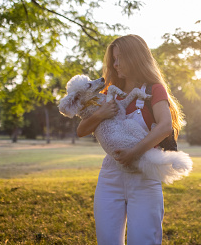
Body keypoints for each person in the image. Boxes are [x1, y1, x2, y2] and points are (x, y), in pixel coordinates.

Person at [77, 34, 183, 245]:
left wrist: (134, 152)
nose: (115, 65)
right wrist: (100, 114)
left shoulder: (154, 90)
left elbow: (164, 126)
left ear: (135, 58)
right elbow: (81, 130)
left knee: (144, 240)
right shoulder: (108, 93)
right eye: (113, 60)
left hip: (144, 176)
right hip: (110, 177)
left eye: (119, 59)